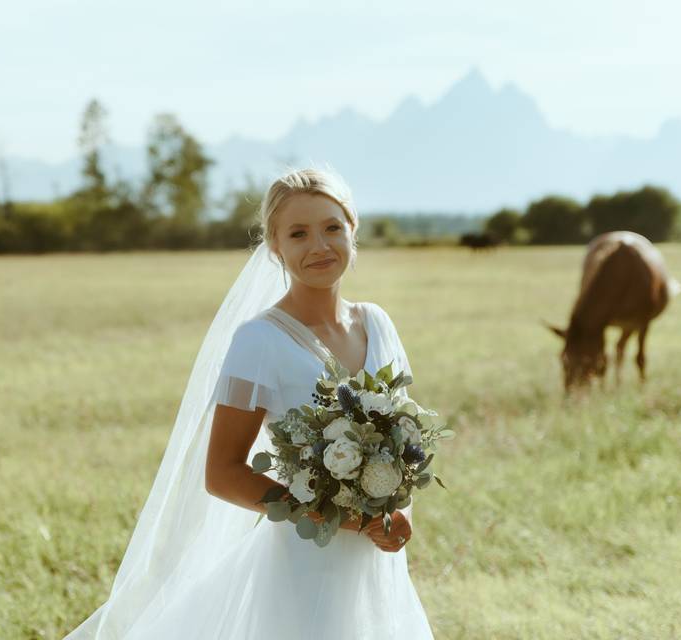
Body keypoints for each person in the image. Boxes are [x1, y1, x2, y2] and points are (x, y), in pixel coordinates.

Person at [63, 168, 434, 639]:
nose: (319, 245)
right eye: (298, 233)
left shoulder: (378, 323)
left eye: (332, 227)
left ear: (352, 229)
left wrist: (393, 512)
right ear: (275, 247)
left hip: (380, 561)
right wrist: (347, 519)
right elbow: (222, 473)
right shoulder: (258, 341)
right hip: (304, 565)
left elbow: (400, 439)